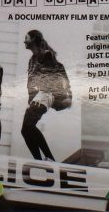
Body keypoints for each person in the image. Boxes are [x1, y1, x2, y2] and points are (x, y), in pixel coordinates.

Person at [21, 30, 71, 161]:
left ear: (33, 39)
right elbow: (31, 82)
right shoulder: (32, 60)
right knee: (25, 130)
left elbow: (54, 77)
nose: (24, 41)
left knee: (28, 126)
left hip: (46, 94)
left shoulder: (46, 55)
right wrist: (31, 99)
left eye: (26, 38)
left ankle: (49, 158)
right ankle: (39, 161)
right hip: (38, 96)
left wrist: (66, 96)